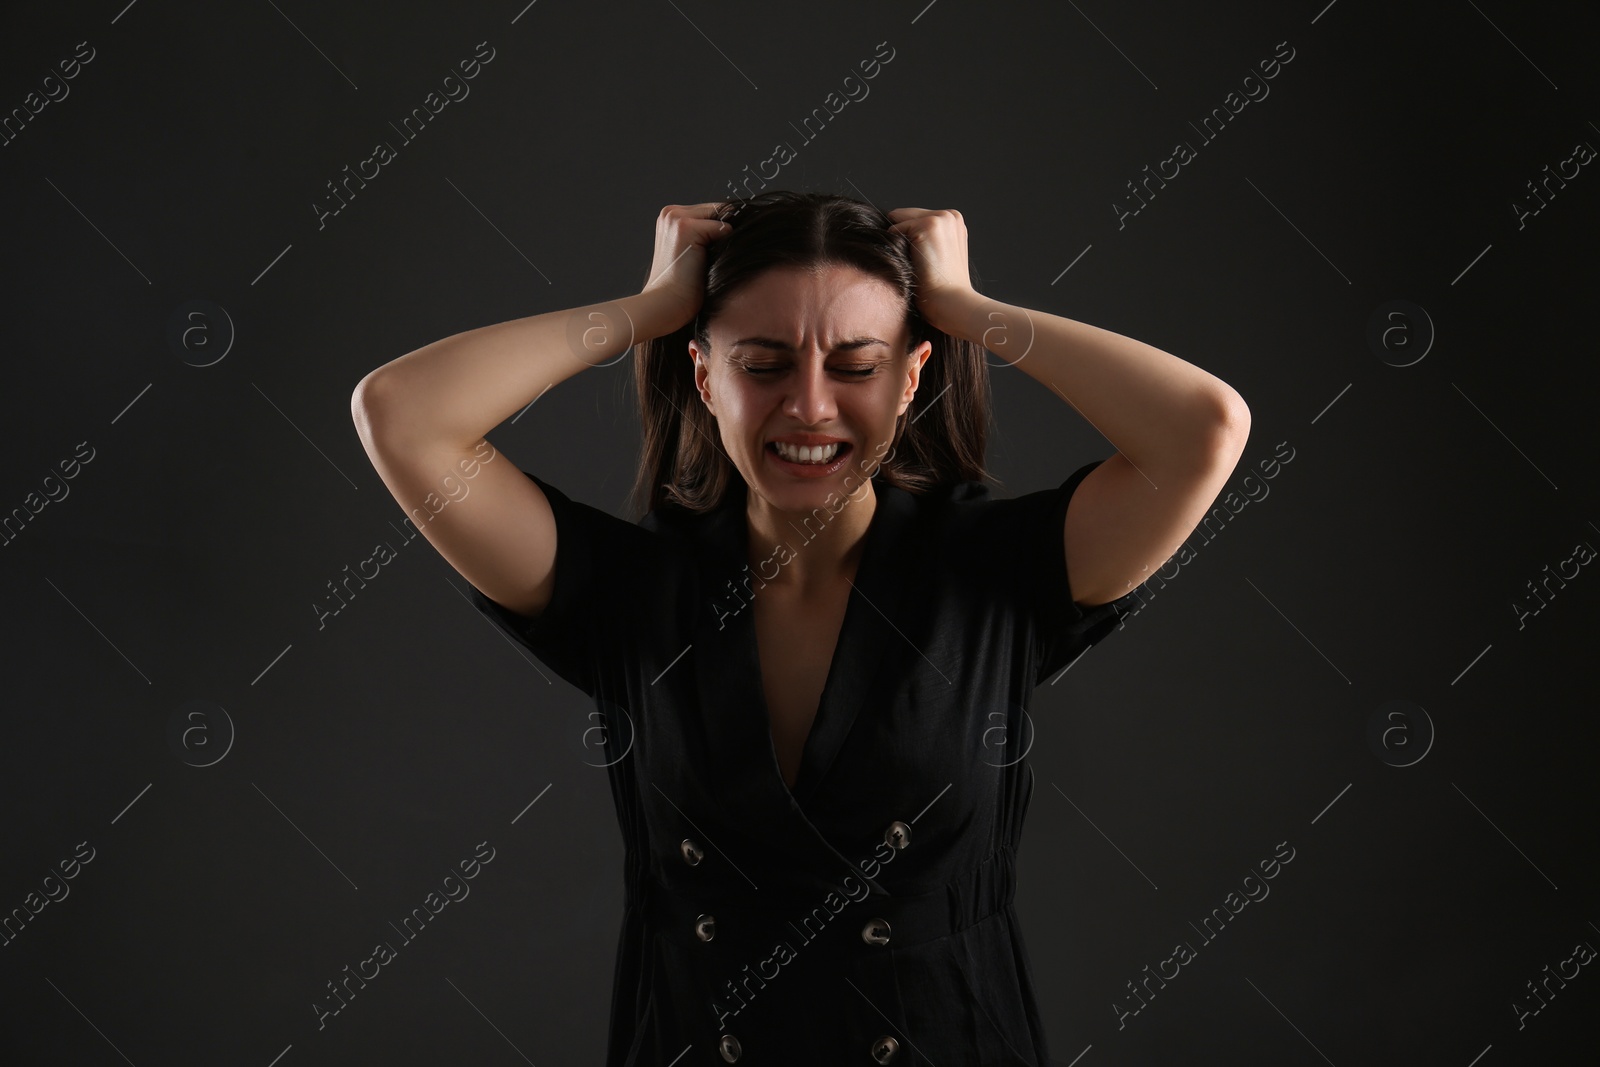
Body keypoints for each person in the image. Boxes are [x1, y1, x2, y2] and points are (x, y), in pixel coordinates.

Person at [351, 191, 1249, 1065]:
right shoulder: (631, 589)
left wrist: (970, 309)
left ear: (910, 380)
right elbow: (404, 415)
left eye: (856, 367)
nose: (810, 407)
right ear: (704, 376)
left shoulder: (996, 572)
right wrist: (648, 308)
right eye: (763, 363)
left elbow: (1203, 429)